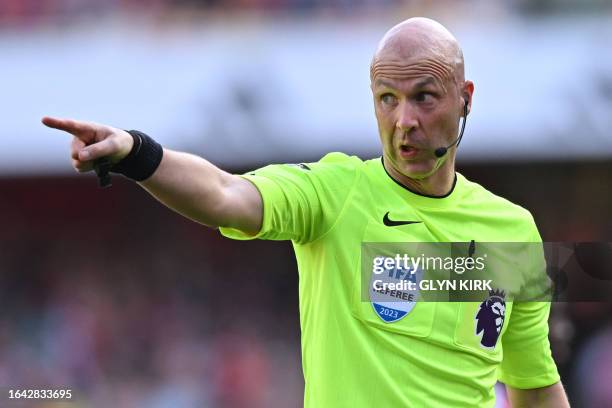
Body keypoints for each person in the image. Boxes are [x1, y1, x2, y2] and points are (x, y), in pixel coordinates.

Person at [43, 17, 570, 408]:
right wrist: (138, 153)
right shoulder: (336, 194)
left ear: (465, 98)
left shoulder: (512, 230)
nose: (403, 120)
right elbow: (228, 194)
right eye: (387, 99)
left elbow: (534, 386)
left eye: (424, 97)